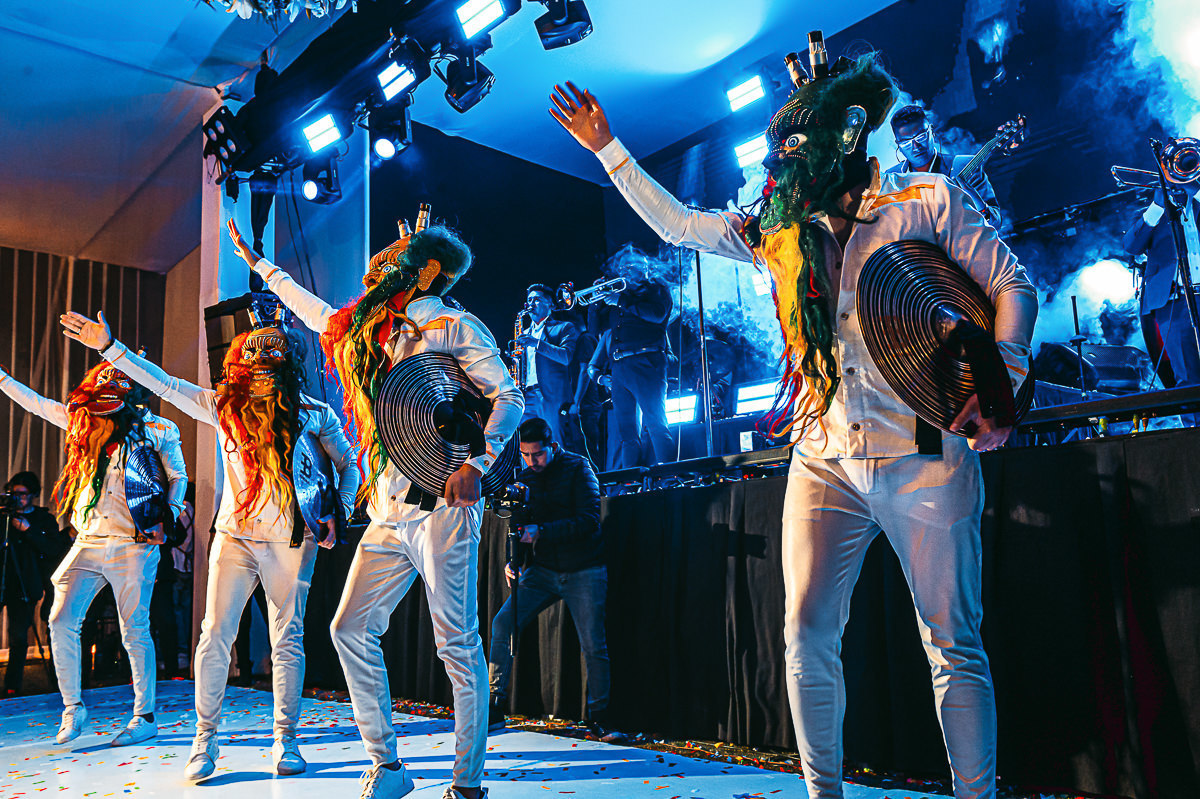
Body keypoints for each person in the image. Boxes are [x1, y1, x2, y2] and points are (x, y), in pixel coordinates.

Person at [550, 49, 1037, 799]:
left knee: (952, 642)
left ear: (845, 139)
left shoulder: (926, 200)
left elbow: (1011, 283)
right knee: (805, 634)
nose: (779, 164)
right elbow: (682, 226)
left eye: (795, 147)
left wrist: (1001, 381)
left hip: (926, 450)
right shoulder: (781, 230)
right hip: (823, 455)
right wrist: (607, 149)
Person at [228, 211, 522, 799]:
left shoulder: (453, 325)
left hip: (442, 502)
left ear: (425, 271)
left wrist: (478, 463)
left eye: (395, 256)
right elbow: (317, 313)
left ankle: (468, 786)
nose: (377, 266)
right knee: (349, 628)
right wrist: (263, 268)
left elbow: (508, 396)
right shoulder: (372, 330)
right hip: (388, 506)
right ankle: (387, 766)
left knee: (456, 643)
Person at [61, 299, 358, 780]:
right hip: (235, 538)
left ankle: (286, 739)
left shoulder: (315, 413)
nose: (260, 364)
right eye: (252, 356)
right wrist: (111, 348)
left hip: (291, 540)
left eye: (271, 355)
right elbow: (166, 384)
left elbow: (348, 465)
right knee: (215, 635)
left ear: (288, 362)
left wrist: (337, 511)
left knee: (288, 639)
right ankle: (205, 740)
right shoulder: (225, 407)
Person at [0, 360, 187, 746]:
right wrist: (3, 379)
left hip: (133, 543)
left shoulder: (159, 429)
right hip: (89, 539)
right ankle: (73, 707)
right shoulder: (84, 420)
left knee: (134, 629)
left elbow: (177, 476)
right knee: (60, 619)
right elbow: (39, 404)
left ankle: (144, 716)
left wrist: (165, 517)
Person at [486, 418, 613, 737]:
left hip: (584, 568)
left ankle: (600, 716)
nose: (532, 461)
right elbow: (517, 525)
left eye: (538, 454)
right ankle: (494, 706)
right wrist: (513, 562)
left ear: (553, 446)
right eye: (526, 455)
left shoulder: (578, 467)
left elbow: (589, 520)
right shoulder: (525, 476)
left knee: (593, 645)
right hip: (542, 571)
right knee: (502, 624)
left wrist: (541, 531)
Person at [591, 250, 673, 467]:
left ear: (643, 267)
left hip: (647, 362)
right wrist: (596, 301)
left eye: (629, 266)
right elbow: (594, 330)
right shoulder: (619, 297)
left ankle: (669, 476)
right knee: (626, 432)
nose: (624, 271)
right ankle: (631, 480)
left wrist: (621, 301)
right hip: (620, 367)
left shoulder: (656, 288)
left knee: (656, 424)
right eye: (621, 268)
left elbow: (657, 315)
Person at [1123, 175, 1200, 393]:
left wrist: (1196, 191)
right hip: (1175, 301)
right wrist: (1157, 205)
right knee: (1187, 375)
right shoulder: (1151, 213)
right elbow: (1131, 246)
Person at [886, 104, 1003, 227]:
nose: (916, 147)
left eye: (921, 137)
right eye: (906, 143)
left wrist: (974, 199)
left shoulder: (963, 165)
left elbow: (995, 223)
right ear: (898, 145)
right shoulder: (889, 179)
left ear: (932, 132)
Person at [1, 471, 60, 695]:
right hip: (3, 580)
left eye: (23, 494)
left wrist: (28, 530)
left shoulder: (43, 520)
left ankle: (12, 686)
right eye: (13, 494)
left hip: (24, 585)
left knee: (18, 637)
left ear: (33, 494)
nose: (18, 499)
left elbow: (52, 550)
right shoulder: (4, 517)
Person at [516, 284, 579, 446]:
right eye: (529, 300)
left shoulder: (564, 327)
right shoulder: (524, 333)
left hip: (551, 395)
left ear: (550, 304)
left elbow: (566, 357)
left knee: (556, 441)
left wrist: (537, 343)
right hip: (526, 395)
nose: (531, 304)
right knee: (525, 442)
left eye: (536, 300)